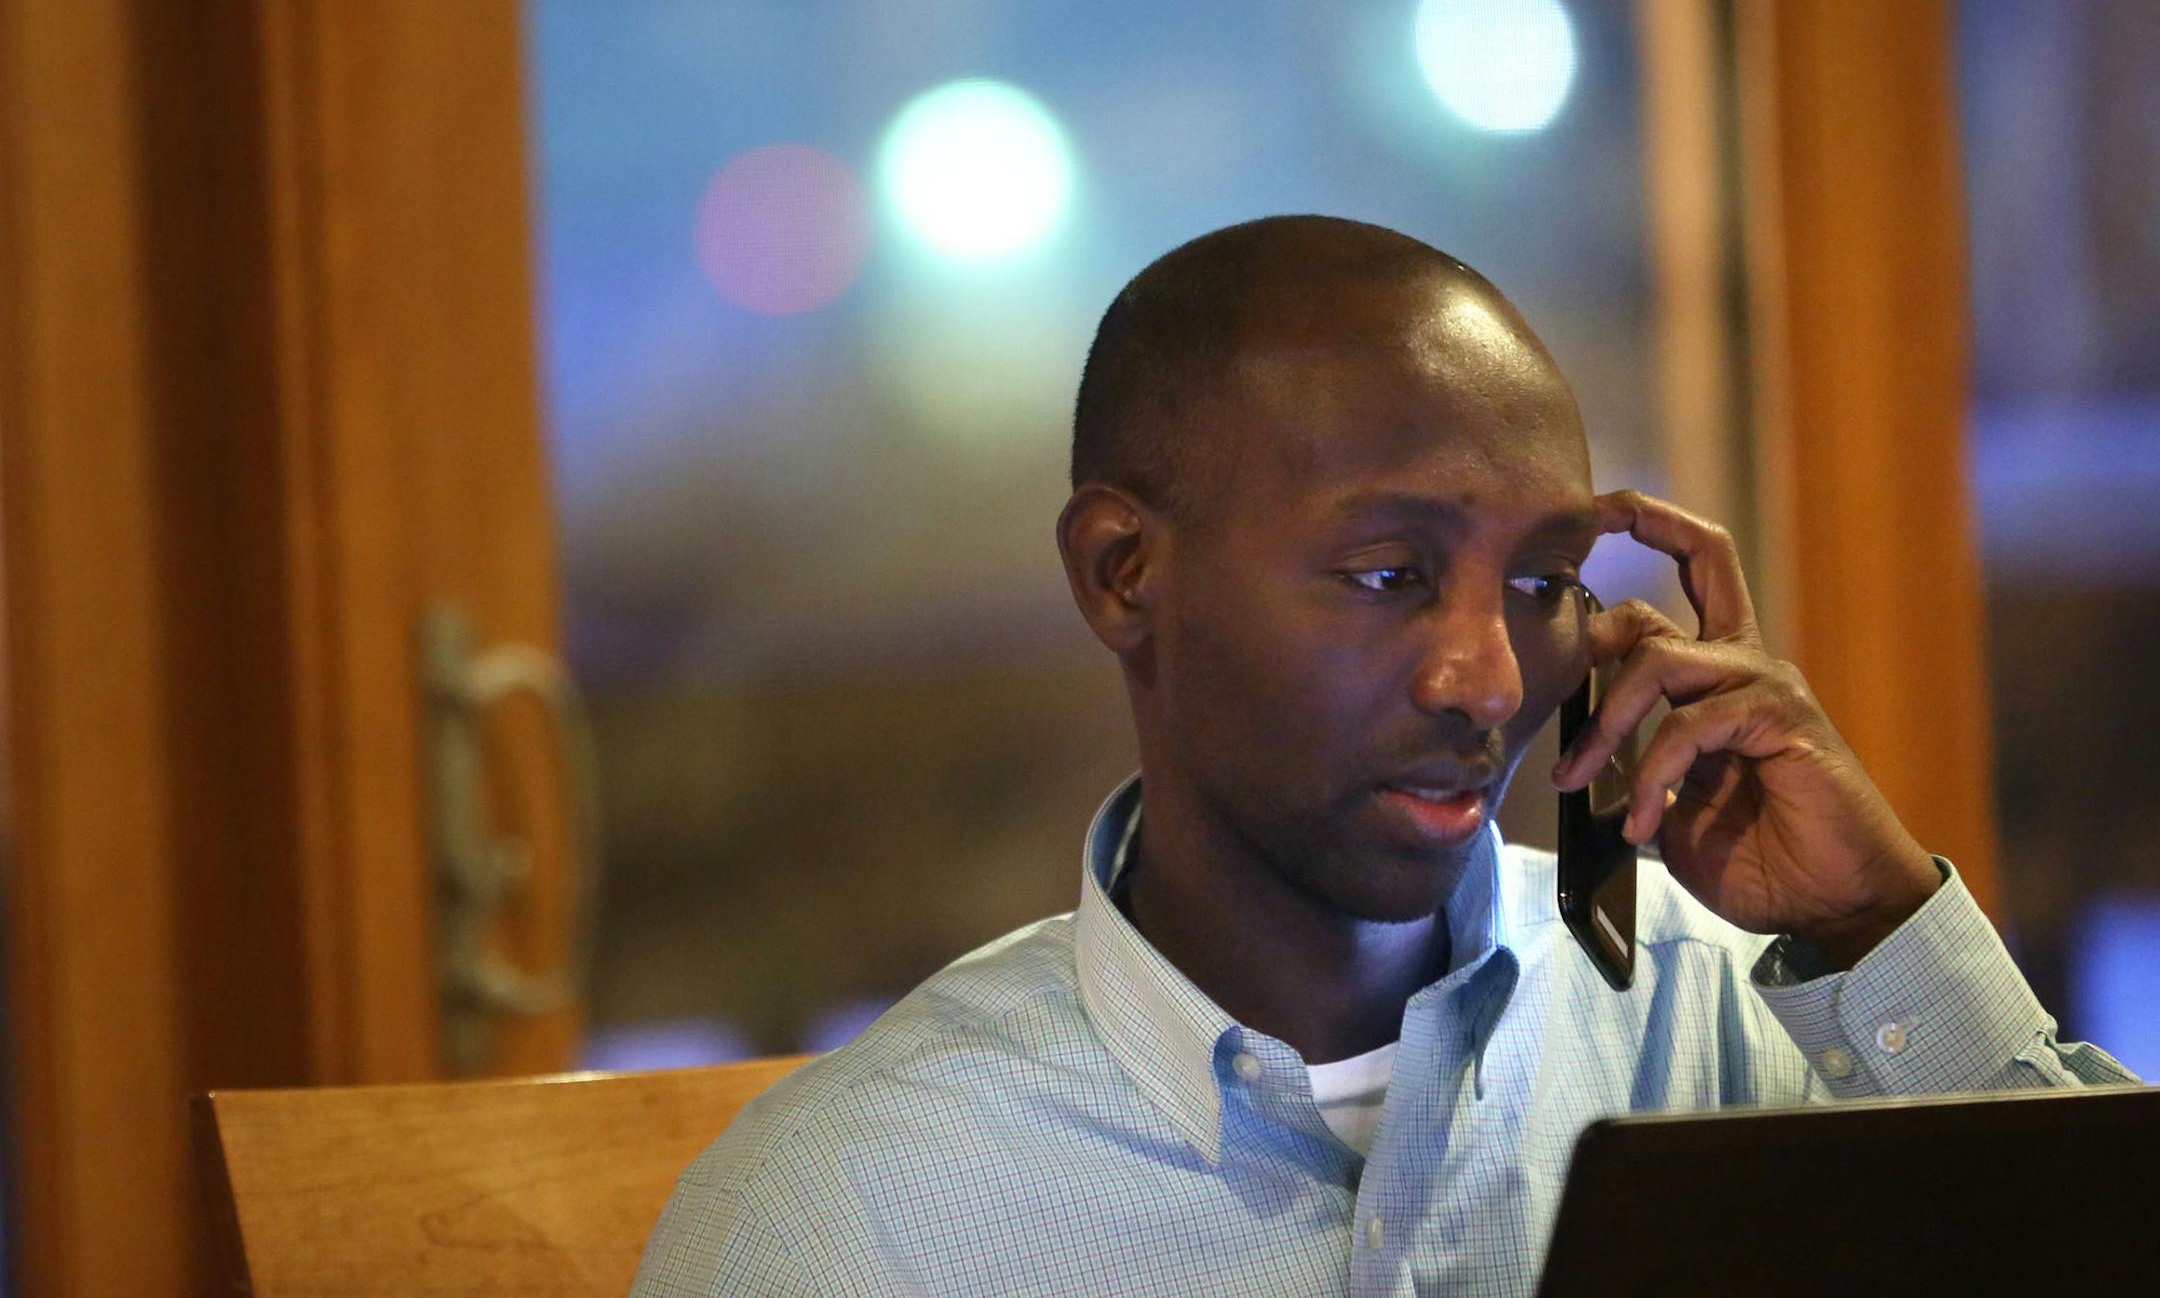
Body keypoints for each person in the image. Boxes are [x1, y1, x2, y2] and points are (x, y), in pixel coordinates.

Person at [632, 216, 2135, 1298]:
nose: (1490, 679)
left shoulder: (1724, 1026)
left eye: (1544, 582)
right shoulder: (854, 1218)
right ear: (1124, 574)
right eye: (1387, 575)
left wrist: (1878, 924)